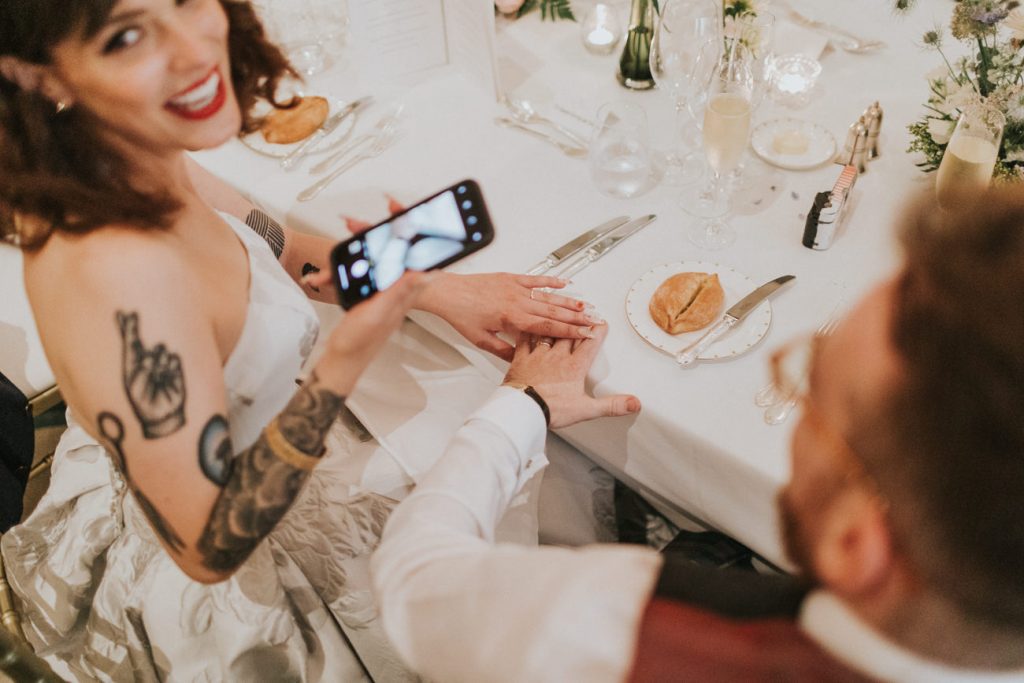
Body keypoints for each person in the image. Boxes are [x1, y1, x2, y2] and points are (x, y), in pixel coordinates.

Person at [0, 0, 603, 679]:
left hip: (267, 438)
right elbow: (205, 545)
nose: (195, 50)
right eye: (128, 35)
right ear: (40, 76)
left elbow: (281, 250)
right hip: (225, 553)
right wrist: (343, 361)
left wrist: (435, 288)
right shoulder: (113, 276)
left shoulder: (124, 146)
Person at [372, 189, 1024, 682]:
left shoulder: (629, 633)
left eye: (810, 384)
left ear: (855, 541)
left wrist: (521, 403)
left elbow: (415, 579)